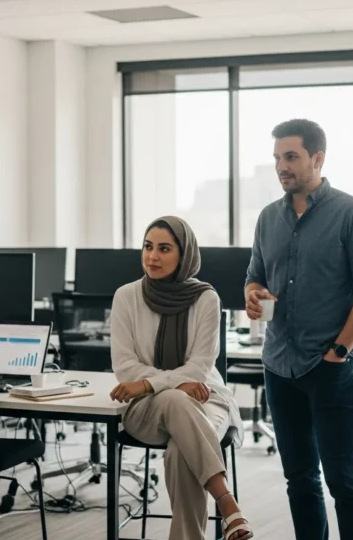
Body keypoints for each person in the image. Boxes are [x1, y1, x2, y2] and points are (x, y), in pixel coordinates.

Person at [244, 119, 353, 540]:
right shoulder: (269, 218)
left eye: (290, 157)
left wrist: (340, 351)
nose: (281, 167)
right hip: (279, 367)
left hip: (331, 369)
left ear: (317, 158)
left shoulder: (351, 214)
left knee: (345, 481)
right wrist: (252, 294)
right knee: (299, 478)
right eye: (276, 158)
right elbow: (254, 276)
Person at [109, 216, 253, 540]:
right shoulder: (126, 297)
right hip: (145, 407)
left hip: (206, 397)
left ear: (184, 254)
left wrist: (151, 382)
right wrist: (168, 384)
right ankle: (228, 503)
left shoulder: (206, 299)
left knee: (180, 451)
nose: (152, 257)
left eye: (164, 248)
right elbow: (125, 366)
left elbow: (201, 366)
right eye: (147, 247)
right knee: (175, 397)